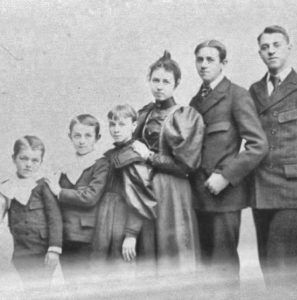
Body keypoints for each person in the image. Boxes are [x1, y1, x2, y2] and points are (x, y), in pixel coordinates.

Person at [189, 40, 268, 297]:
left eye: (210, 59)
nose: (203, 65)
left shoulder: (237, 94)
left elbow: (258, 145)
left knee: (223, 272)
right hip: (198, 196)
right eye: (200, 59)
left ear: (223, 63)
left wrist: (226, 175)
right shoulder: (194, 100)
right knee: (203, 270)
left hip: (224, 198)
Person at [133, 51, 204, 272]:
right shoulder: (143, 113)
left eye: (166, 81)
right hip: (144, 188)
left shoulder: (185, 115)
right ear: (149, 81)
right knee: (147, 250)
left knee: (172, 249)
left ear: (177, 83)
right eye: (156, 80)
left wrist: (149, 156)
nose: (160, 86)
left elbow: (186, 165)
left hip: (172, 189)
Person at [249, 25, 297, 299]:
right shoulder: (254, 90)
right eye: (265, 47)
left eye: (276, 45)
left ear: (289, 48)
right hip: (260, 188)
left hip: (291, 188)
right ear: (260, 53)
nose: (271, 50)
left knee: (282, 267)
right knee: (267, 265)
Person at [92, 104, 156, 272]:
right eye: (112, 124)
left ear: (134, 126)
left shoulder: (134, 154)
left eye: (122, 125)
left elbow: (140, 199)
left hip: (123, 219)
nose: (116, 129)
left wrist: (131, 235)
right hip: (106, 219)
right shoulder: (111, 154)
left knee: (121, 268)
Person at [46, 114, 109, 284]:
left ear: (98, 138)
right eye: (77, 135)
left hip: (86, 236)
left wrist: (60, 192)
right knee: (70, 284)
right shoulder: (65, 164)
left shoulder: (100, 164)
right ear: (70, 137)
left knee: (85, 285)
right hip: (65, 235)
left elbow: (90, 197)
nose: (82, 141)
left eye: (88, 136)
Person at [0, 135, 62, 289]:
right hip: (20, 251)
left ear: (41, 161)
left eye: (35, 160)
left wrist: (54, 249)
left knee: (41, 289)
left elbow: (55, 218)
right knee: (27, 288)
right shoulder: (8, 186)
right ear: (14, 158)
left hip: (42, 251)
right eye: (23, 158)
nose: (29, 164)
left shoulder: (43, 185)